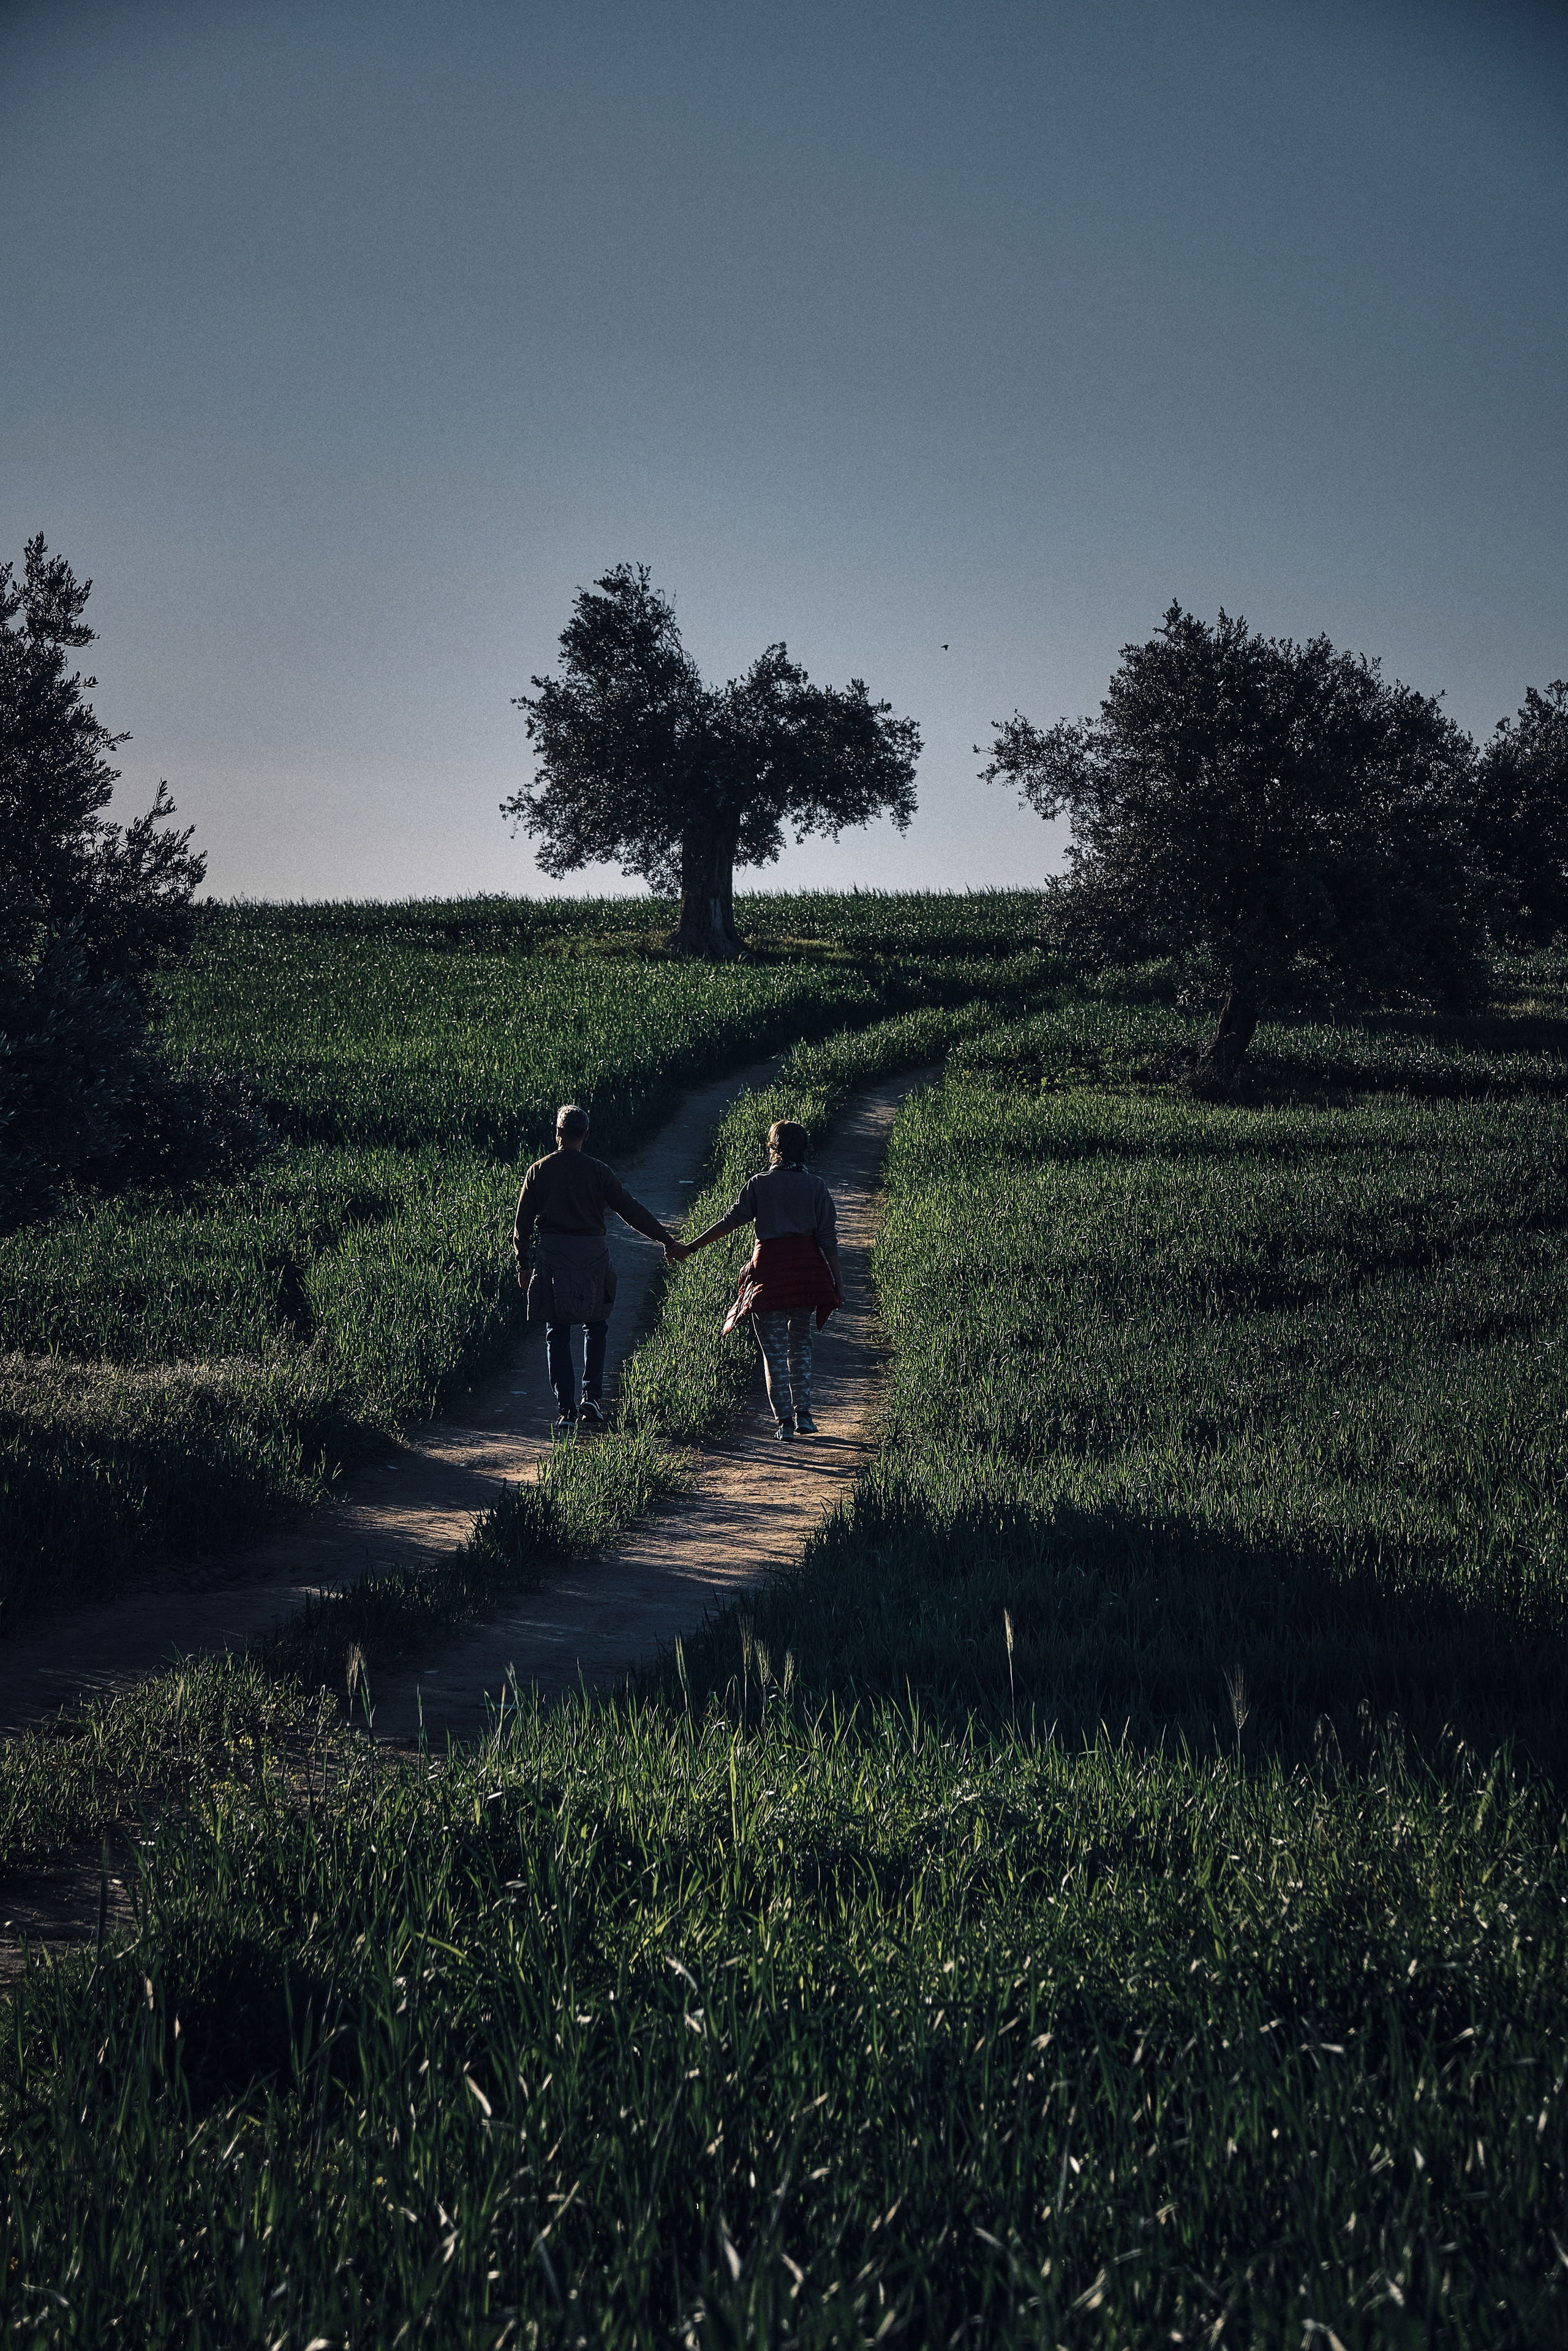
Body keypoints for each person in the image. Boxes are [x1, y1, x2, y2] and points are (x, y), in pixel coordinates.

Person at [513, 1103, 680, 1436]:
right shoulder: (599, 1171)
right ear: (586, 1136)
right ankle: (592, 1397)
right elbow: (630, 1209)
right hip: (593, 1259)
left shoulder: (538, 1171)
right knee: (596, 1326)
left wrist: (523, 1263)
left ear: (557, 1133)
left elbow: (521, 1226)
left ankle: (566, 1410)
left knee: (556, 1332)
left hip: (554, 1260)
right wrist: (665, 1238)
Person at [676, 1119, 842, 1440]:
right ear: (804, 1149)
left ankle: (784, 1423)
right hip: (807, 1274)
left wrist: (691, 1247)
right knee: (801, 1344)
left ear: (773, 1149)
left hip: (769, 1274)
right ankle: (804, 1414)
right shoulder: (816, 1187)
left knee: (774, 1351)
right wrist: (839, 1283)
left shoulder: (759, 1184)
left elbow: (730, 1222)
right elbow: (828, 1239)